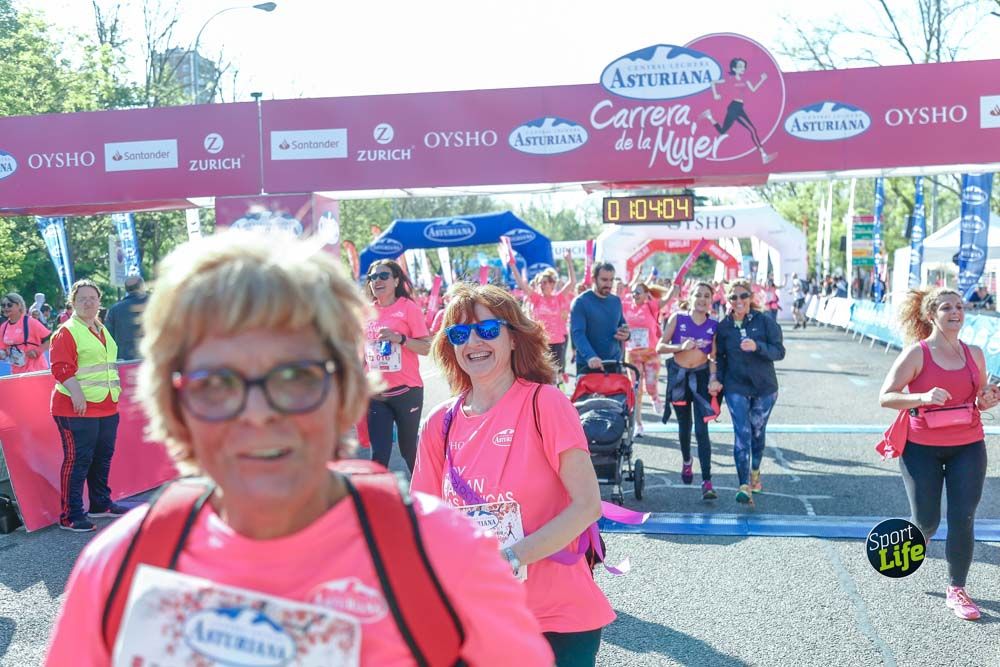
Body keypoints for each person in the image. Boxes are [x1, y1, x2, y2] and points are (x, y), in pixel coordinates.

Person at [45, 232, 555, 666]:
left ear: (345, 391)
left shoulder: (446, 558)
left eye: (294, 377)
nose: (258, 413)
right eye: (216, 383)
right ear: (174, 404)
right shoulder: (121, 566)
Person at [412, 283, 613, 666]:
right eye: (460, 333)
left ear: (515, 338)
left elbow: (588, 505)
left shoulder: (545, 403)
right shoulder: (439, 424)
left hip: (558, 618)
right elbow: (425, 525)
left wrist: (509, 558)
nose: (473, 342)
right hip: (478, 619)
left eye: (487, 330)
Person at [878, 288, 1000, 621]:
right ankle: (908, 541)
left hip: (968, 445)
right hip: (921, 448)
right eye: (947, 307)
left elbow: (977, 400)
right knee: (927, 522)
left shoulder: (974, 353)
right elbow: (886, 397)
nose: (955, 311)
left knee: (963, 517)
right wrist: (922, 397)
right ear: (931, 315)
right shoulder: (916, 354)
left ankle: (957, 589)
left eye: (959, 306)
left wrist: (988, 399)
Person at [49, 280, 124, 532]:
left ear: (99, 301)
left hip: (106, 405)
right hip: (76, 407)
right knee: (78, 460)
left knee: (102, 457)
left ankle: (100, 503)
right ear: (72, 302)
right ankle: (70, 515)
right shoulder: (67, 331)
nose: (88, 302)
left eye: (93, 298)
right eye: (82, 298)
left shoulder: (101, 328)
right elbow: (61, 367)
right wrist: (77, 394)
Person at [715, 279, 785, 504]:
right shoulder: (723, 327)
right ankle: (743, 484)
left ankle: (755, 471)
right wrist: (717, 381)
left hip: (764, 387)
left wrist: (758, 347)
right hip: (735, 387)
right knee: (742, 433)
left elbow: (779, 352)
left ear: (751, 297)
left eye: (743, 296)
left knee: (757, 432)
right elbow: (720, 358)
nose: (739, 301)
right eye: (733, 297)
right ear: (728, 300)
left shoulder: (764, 321)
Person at [363, 259, 432, 472]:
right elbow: (362, 352)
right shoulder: (365, 312)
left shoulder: (408, 308)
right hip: (376, 394)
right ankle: (376, 494)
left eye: (383, 276)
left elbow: (426, 348)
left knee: (409, 450)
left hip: (406, 392)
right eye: (373, 277)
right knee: (379, 454)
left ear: (395, 281)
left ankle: (425, 489)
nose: (377, 280)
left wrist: (399, 338)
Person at [657, 282, 721, 500]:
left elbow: (713, 356)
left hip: (701, 378)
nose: (702, 299)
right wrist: (680, 347)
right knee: (685, 427)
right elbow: (660, 346)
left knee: (702, 431)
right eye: (698, 295)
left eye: (707, 296)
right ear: (690, 297)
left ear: (711, 301)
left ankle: (707, 481)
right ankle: (687, 460)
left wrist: (713, 378)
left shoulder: (714, 324)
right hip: (680, 378)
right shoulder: (678, 318)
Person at [514, 251, 577, 385]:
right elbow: (521, 283)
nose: (543, 285)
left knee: (557, 374)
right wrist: (512, 265)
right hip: (541, 341)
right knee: (542, 373)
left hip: (558, 341)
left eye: (546, 282)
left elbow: (572, 282)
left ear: (552, 284)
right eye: (541, 283)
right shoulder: (536, 299)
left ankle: (557, 393)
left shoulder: (559, 298)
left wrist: (569, 262)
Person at [700, 57, 775, 164]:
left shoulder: (745, 80)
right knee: (752, 129)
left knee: (722, 131)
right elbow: (713, 82)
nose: (743, 68)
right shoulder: (730, 79)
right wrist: (715, 95)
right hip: (734, 108)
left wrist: (762, 80)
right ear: (734, 69)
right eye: (740, 66)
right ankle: (764, 156)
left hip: (739, 107)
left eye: (744, 66)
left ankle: (709, 116)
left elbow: (753, 89)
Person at [570, 263, 629, 375]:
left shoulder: (616, 301)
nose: (609, 284)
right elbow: (578, 334)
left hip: (613, 364)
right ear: (593, 279)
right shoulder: (580, 302)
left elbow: (622, 324)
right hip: (588, 365)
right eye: (604, 280)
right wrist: (590, 356)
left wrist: (626, 334)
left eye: (611, 280)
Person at [622, 282, 664, 436]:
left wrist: (676, 286)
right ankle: (638, 423)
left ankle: (655, 397)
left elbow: (667, 298)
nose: (635, 295)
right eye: (633, 292)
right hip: (632, 354)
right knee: (636, 389)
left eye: (638, 292)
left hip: (650, 353)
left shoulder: (651, 306)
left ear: (646, 295)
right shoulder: (626, 306)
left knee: (650, 385)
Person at [0, 292, 52, 374]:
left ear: (19, 305)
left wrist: (37, 351)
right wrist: (3, 353)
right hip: (16, 373)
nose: (6, 308)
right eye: (3, 305)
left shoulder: (30, 322)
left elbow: (50, 339)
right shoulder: (4, 327)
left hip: (36, 371)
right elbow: (3, 348)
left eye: (9, 305)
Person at [104, 275, 149, 361]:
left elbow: (107, 337)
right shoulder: (156, 304)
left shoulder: (115, 309)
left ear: (126, 289)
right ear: (142, 286)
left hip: (125, 360)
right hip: (153, 357)